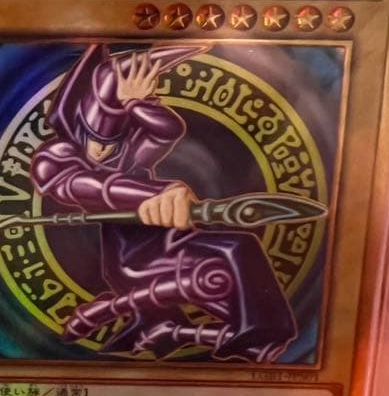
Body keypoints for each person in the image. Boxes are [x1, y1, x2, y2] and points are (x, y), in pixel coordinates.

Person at [31, 43, 296, 362]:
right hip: (132, 257)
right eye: (96, 139)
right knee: (228, 256)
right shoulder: (56, 158)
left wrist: (138, 103)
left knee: (237, 250)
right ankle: (247, 332)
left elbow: (167, 132)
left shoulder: (126, 152)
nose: (103, 151)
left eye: (112, 142)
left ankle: (254, 331)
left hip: (167, 240)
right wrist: (154, 194)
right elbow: (86, 186)